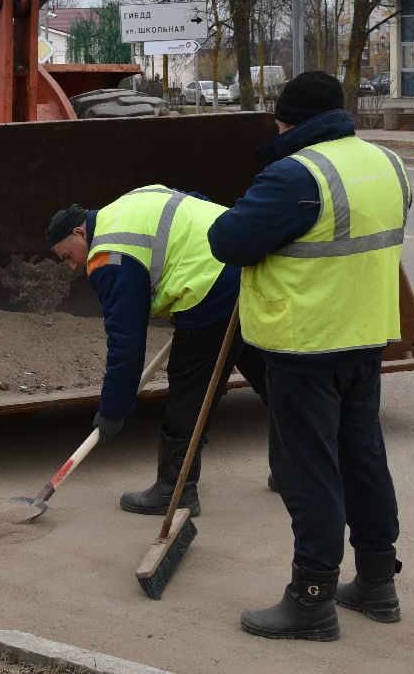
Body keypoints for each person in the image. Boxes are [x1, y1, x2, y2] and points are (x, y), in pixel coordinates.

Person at [207, 70, 412, 641]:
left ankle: (312, 599)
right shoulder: (387, 163)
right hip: (366, 335)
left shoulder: (295, 175)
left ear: (287, 122)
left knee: (308, 472)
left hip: (305, 342)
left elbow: (227, 241)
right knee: (362, 458)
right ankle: (377, 582)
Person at [47, 189, 268, 519]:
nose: (72, 266)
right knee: (269, 374)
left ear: (81, 232)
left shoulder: (108, 258)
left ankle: (174, 490)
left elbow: (126, 343)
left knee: (188, 392)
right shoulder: (126, 203)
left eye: (68, 255)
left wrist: (113, 410)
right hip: (249, 266)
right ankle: (303, 467)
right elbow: (194, 199)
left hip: (209, 290)